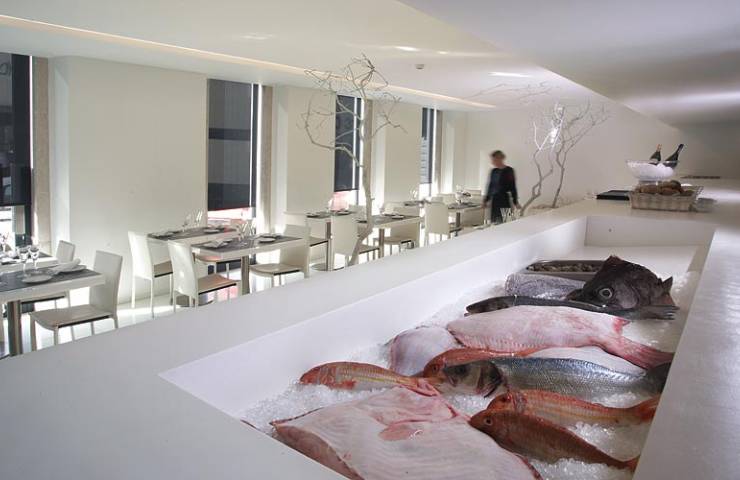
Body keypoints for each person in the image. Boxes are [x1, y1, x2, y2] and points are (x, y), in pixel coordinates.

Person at [484, 150, 519, 224]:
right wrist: (486, 200)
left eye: (494, 160)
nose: (492, 162)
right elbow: (490, 186)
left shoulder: (509, 170)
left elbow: (513, 187)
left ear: (499, 159)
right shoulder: (493, 171)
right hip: (495, 200)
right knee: (495, 223)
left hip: (504, 200)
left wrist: (515, 202)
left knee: (507, 222)